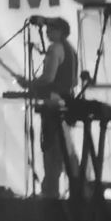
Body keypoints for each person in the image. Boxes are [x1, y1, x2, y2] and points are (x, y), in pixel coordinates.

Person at [20, 17, 78, 198]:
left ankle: (50, 196)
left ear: (60, 31)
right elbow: (74, 80)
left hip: (53, 107)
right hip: (67, 105)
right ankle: (75, 190)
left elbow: (48, 78)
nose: (47, 31)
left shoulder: (55, 49)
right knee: (64, 152)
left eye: (51, 28)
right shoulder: (71, 50)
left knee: (52, 153)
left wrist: (30, 84)